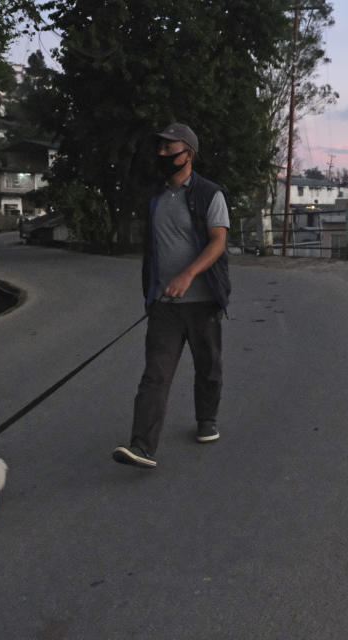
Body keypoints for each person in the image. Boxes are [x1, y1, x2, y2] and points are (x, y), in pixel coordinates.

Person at [112, 123, 230, 469]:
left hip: (204, 300)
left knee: (208, 367)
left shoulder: (210, 194)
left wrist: (188, 274)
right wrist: (153, 291)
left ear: (188, 154)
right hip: (165, 304)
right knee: (155, 374)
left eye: (169, 148)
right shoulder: (156, 197)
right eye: (160, 148)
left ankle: (206, 419)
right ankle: (142, 446)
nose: (162, 154)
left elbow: (218, 241)